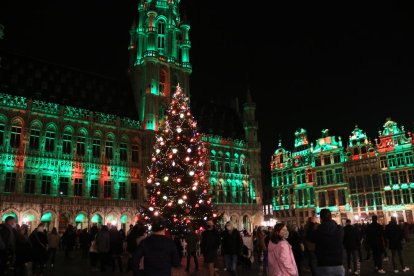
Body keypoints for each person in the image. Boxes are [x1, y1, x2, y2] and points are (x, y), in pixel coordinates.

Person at [309, 209, 344, 276]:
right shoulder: (339, 229)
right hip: (338, 264)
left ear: (321, 218)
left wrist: (312, 224)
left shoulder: (318, 231)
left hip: (323, 265)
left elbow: (310, 238)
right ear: (331, 217)